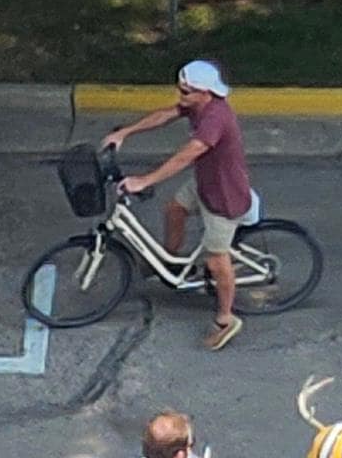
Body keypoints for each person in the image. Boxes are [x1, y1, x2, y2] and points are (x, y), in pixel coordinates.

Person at [101, 57, 255, 351]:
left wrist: (145, 180)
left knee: (216, 259)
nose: (181, 96)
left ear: (205, 93)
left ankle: (226, 318)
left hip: (224, 196)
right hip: (204, 184)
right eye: (180, 89)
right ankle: (169, 261)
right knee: (174, 209)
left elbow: (187, 154)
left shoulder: (215, 118)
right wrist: (125, 132)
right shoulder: (196, 104)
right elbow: (165, 115)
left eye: (186, 92)